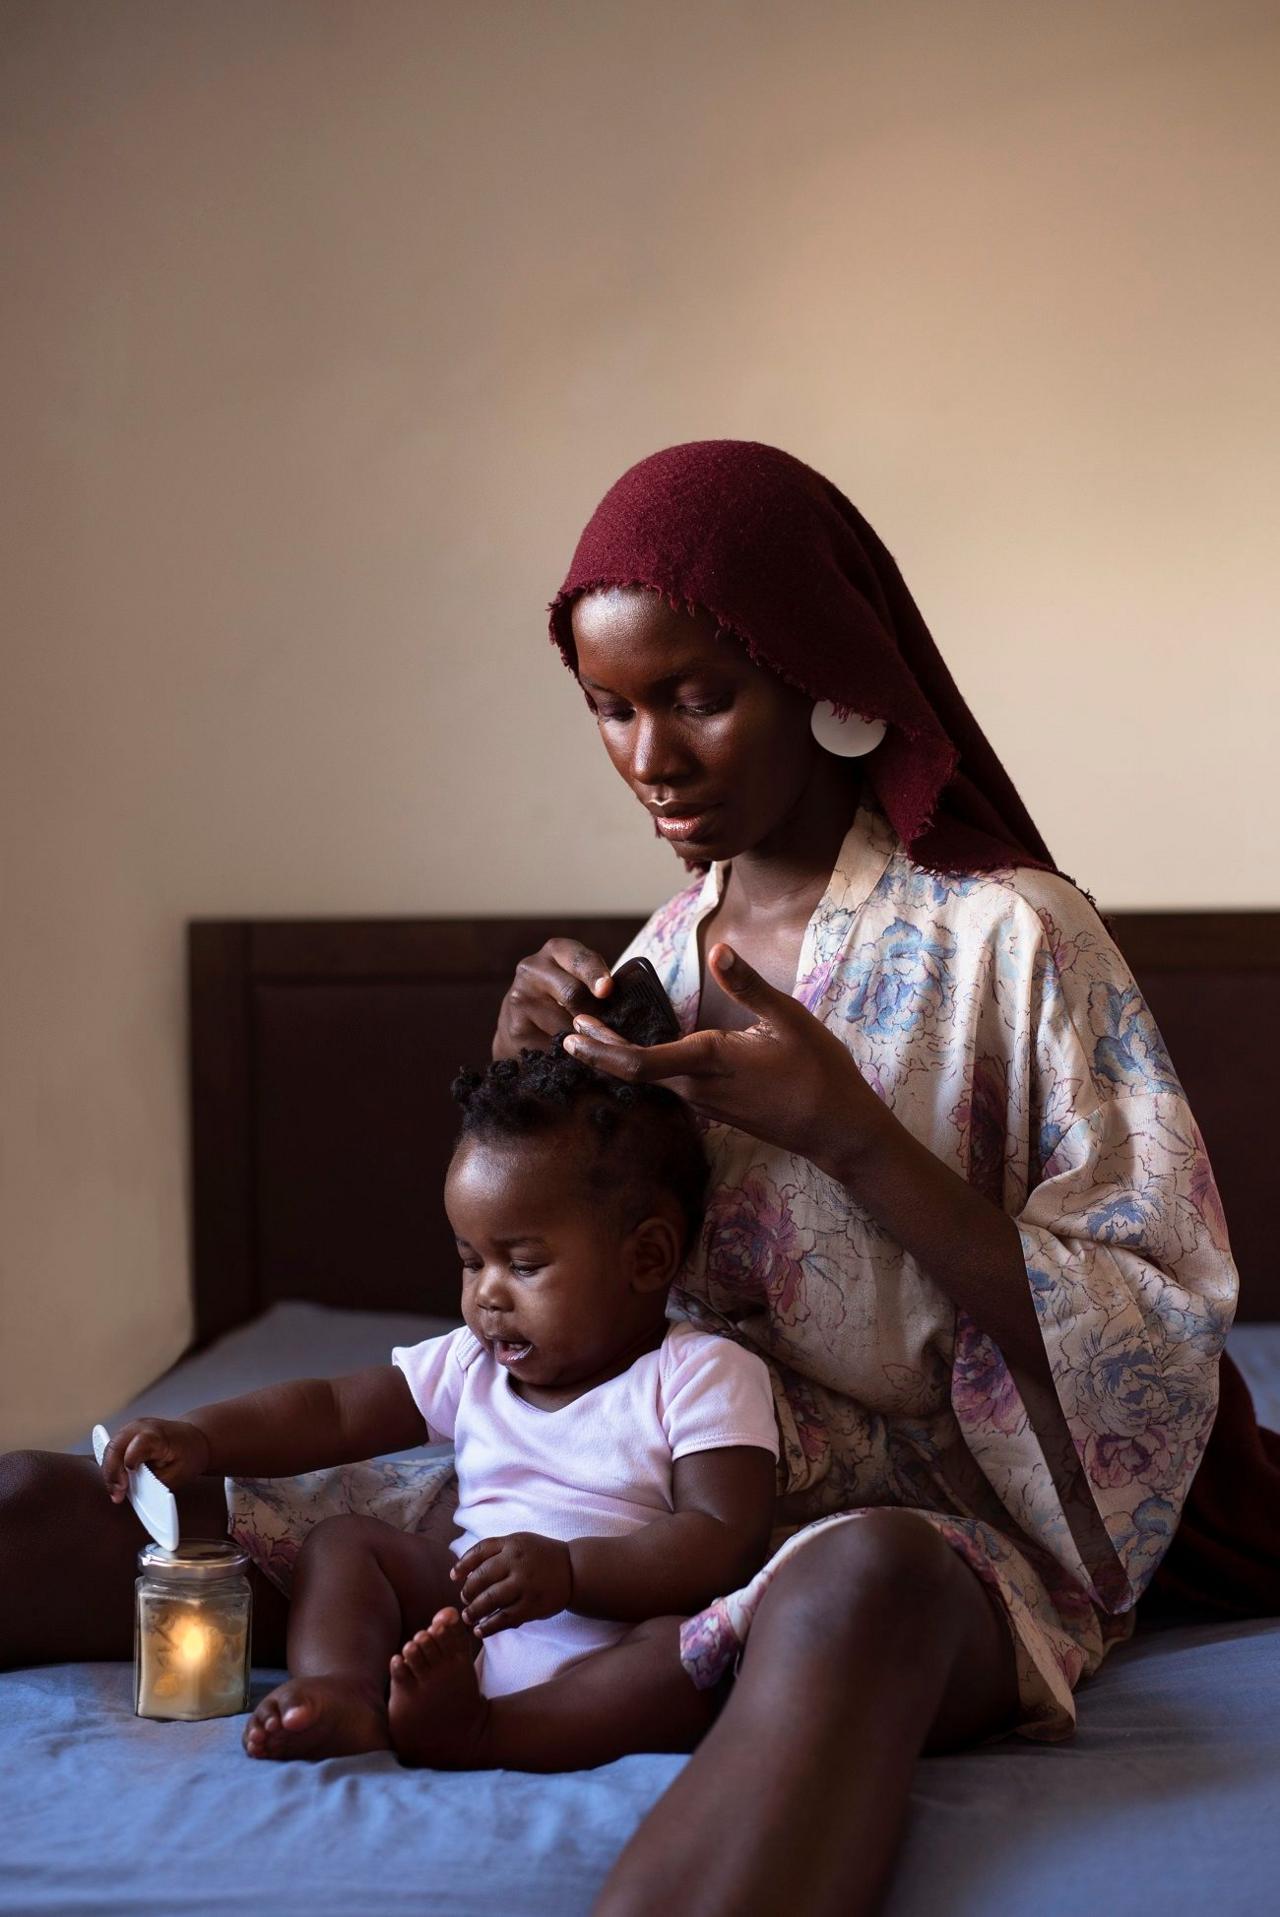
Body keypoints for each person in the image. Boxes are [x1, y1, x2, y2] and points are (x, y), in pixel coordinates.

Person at [487, 438, 1263, 1917]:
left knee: (855, 1586)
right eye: (610, 709)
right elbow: (545, 1326)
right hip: (667, 1500)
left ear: (824, 679)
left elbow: (1159, 1324)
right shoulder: (649, 970)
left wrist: (851, 1130)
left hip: (931, 1525)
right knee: (144, 1493)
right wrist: (528, 1108)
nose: (653, 757)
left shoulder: (1014, 938)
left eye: (700, 696)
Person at [89, 1049, 779, 1766]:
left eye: (523, 1264)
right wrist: (201, 1436)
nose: (486, 1293)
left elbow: (722, 1538)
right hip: (471, 1615)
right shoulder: (471, 1361)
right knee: (345, 1543)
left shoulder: (700, 1371)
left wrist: (573, 1573)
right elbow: (332, 1411)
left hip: (612, 1632)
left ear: (647, 1257)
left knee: (686, 1659)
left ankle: (488, 1732)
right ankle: (346, 1693)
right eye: (470, 1260)